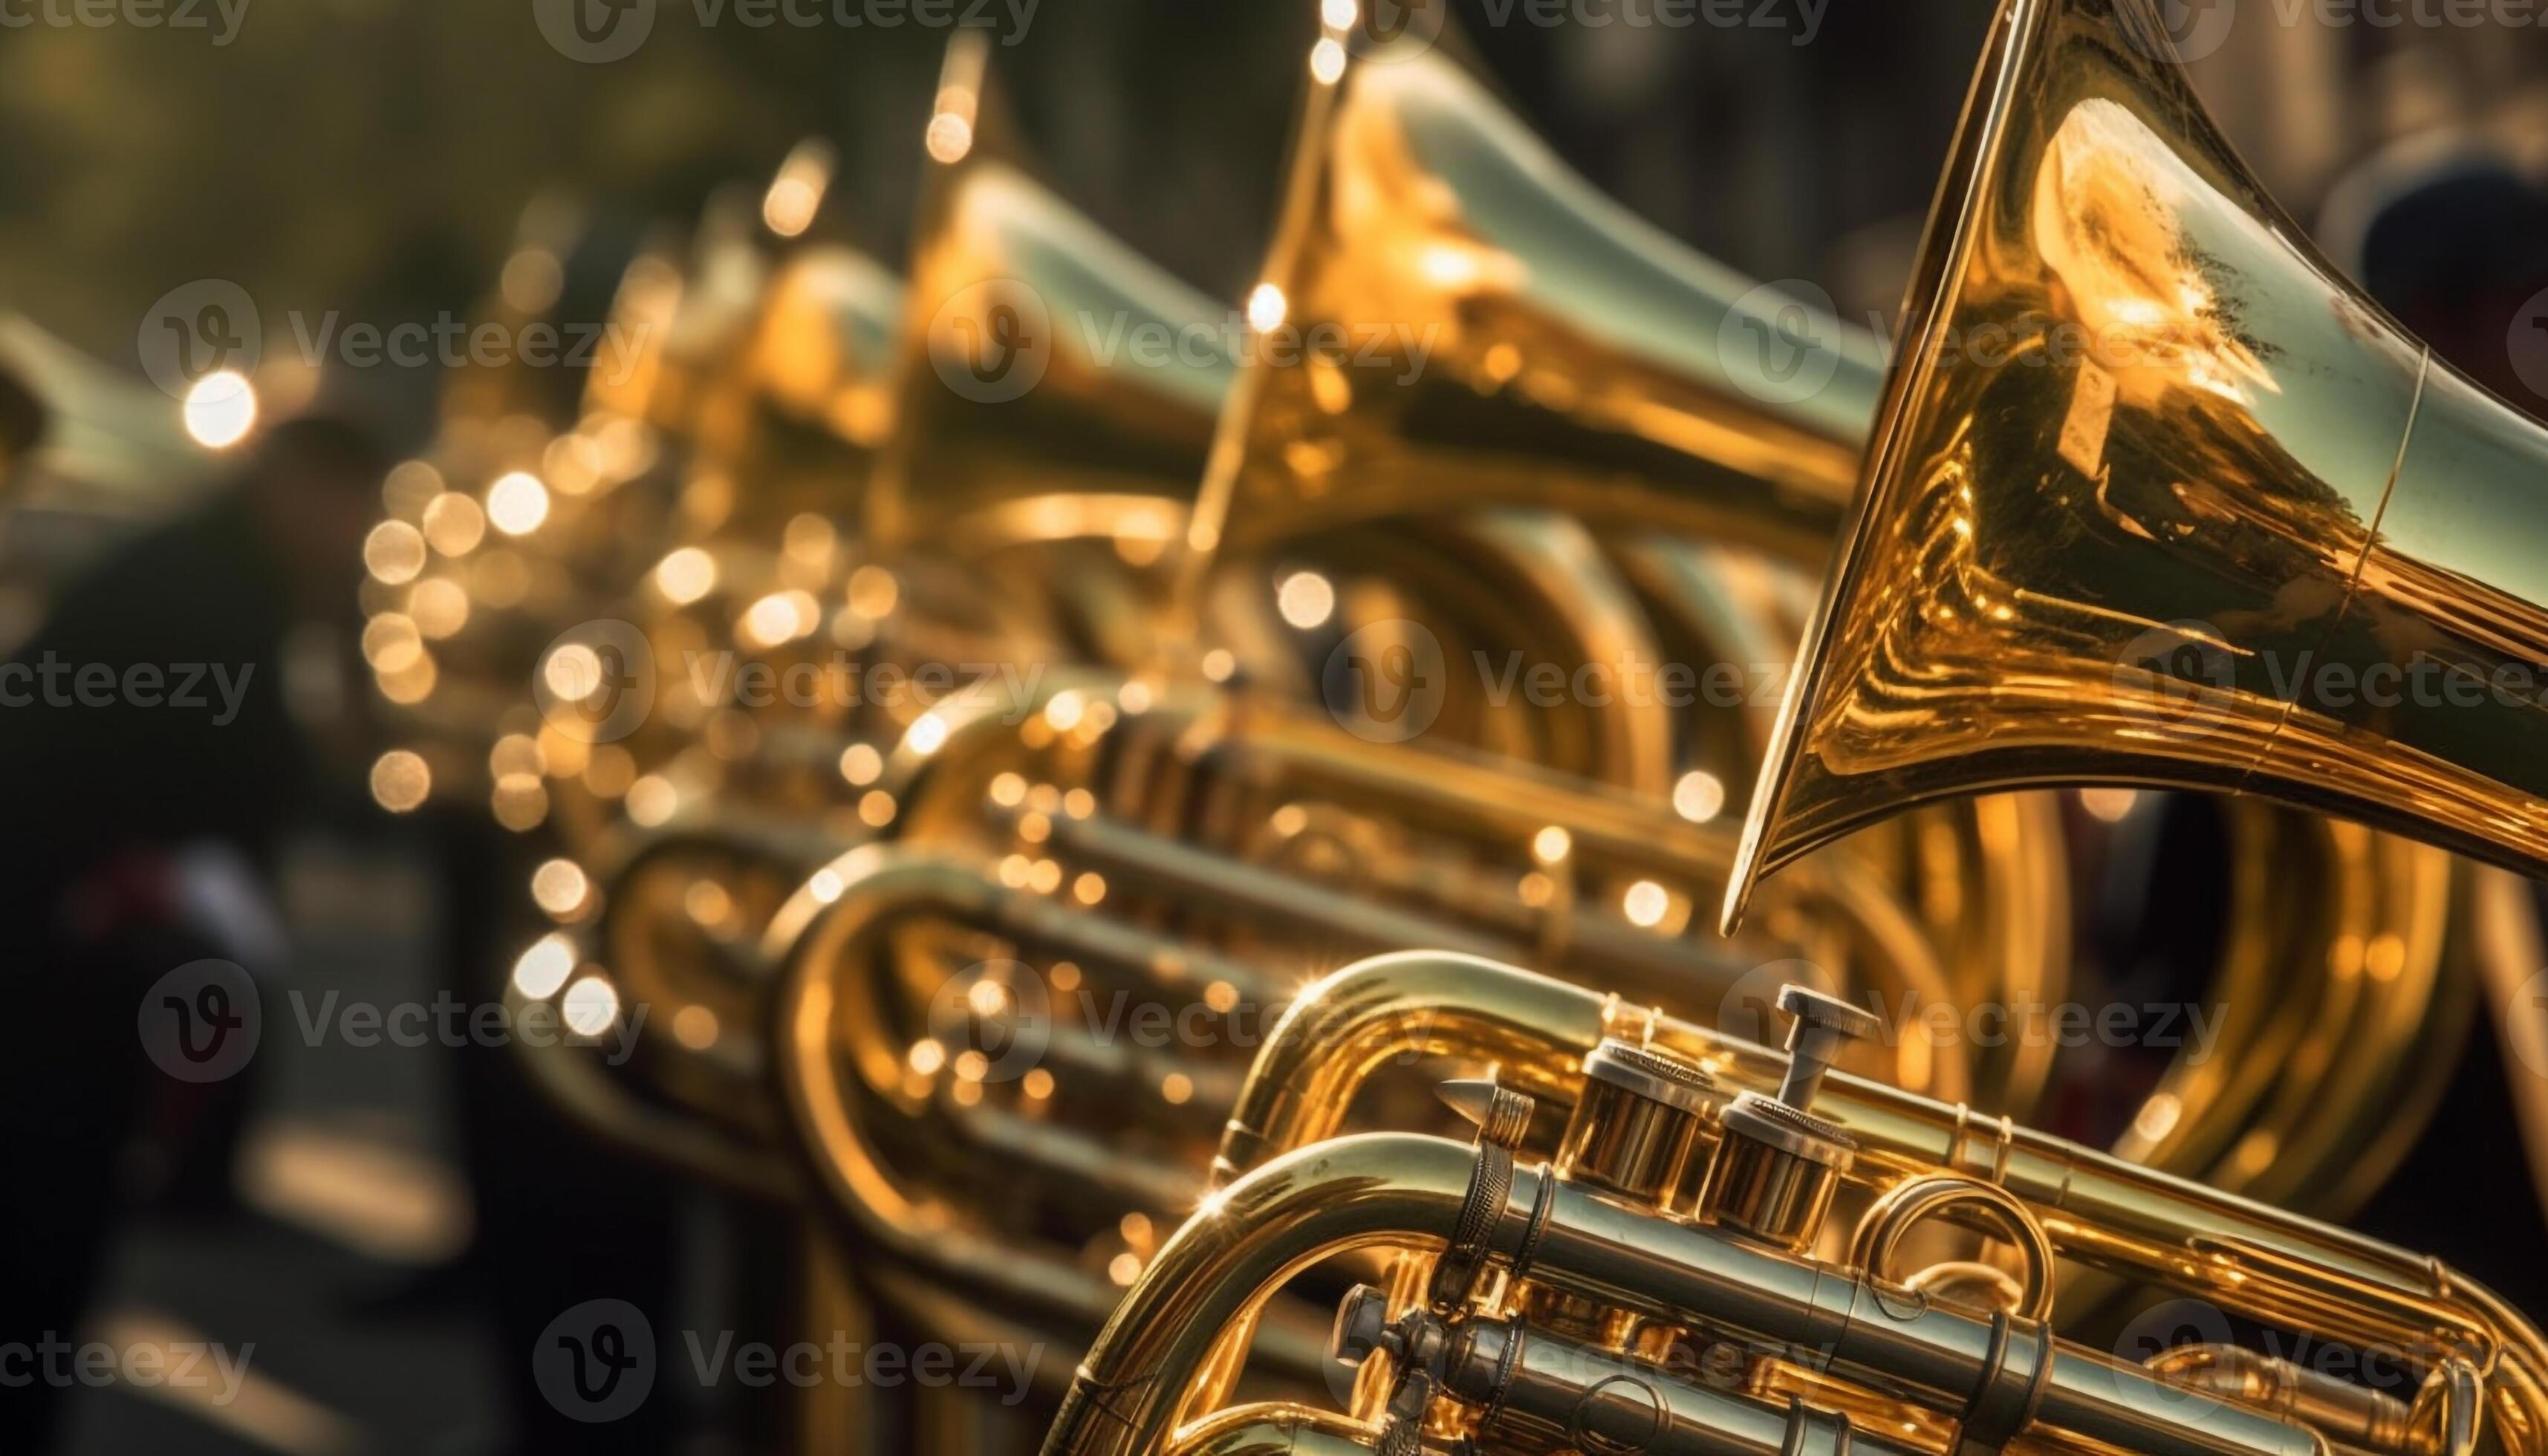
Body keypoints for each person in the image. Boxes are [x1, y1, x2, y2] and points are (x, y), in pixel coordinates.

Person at [0, 413, 386, 1449]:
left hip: (60, 939)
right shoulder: (209, 597)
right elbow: (288, 784)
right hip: (52, 960)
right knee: (43, 1240)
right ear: (297, 484)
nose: (363, 532)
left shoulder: (210, 571)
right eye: (354, 504)